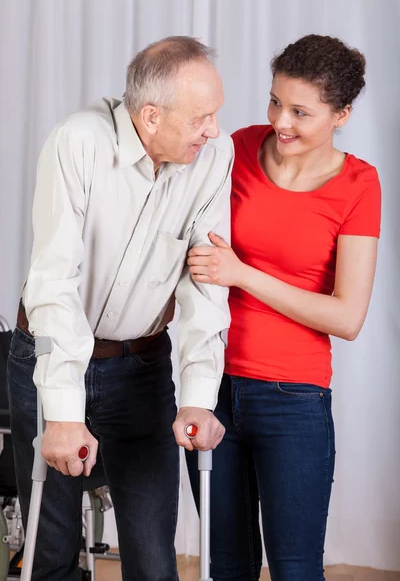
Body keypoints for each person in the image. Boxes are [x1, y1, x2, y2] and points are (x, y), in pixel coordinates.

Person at [7, 36, 233, 581]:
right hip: (53, 354)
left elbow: (206, 282)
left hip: (143, 366)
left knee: (155, 560)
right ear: (150, 116)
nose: (215, 131)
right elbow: (55, 280)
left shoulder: (211, 158)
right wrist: (63, 410)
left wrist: (200, 396)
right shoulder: (78, 142)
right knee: (52, 551)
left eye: (216, 116)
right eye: (201, 118)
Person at [186, 34, 381, 581]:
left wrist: (243, 274)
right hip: (211, 388)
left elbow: (347, 317)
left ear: (341, 114)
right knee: (226, 566)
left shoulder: (359, 184)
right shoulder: (237, 149)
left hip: (293, 400)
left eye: (301, 111)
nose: (281, 121)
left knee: (296, 570)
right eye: (275, 101)